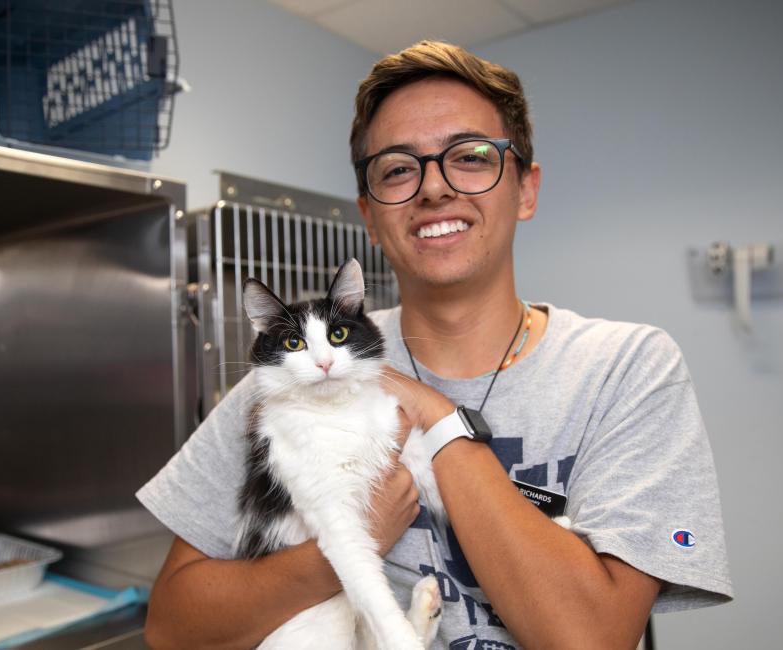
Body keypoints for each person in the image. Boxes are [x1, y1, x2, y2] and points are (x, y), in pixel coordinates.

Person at [139, 40, 732, 649]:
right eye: (398, 168)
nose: (433, 188)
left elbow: (593, 639)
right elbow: (172, 629)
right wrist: (340, 551)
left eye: (470, 157)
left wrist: (440, 421)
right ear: (370, 216)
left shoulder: (626, 368)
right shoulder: (290, 381)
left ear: (526, 189)